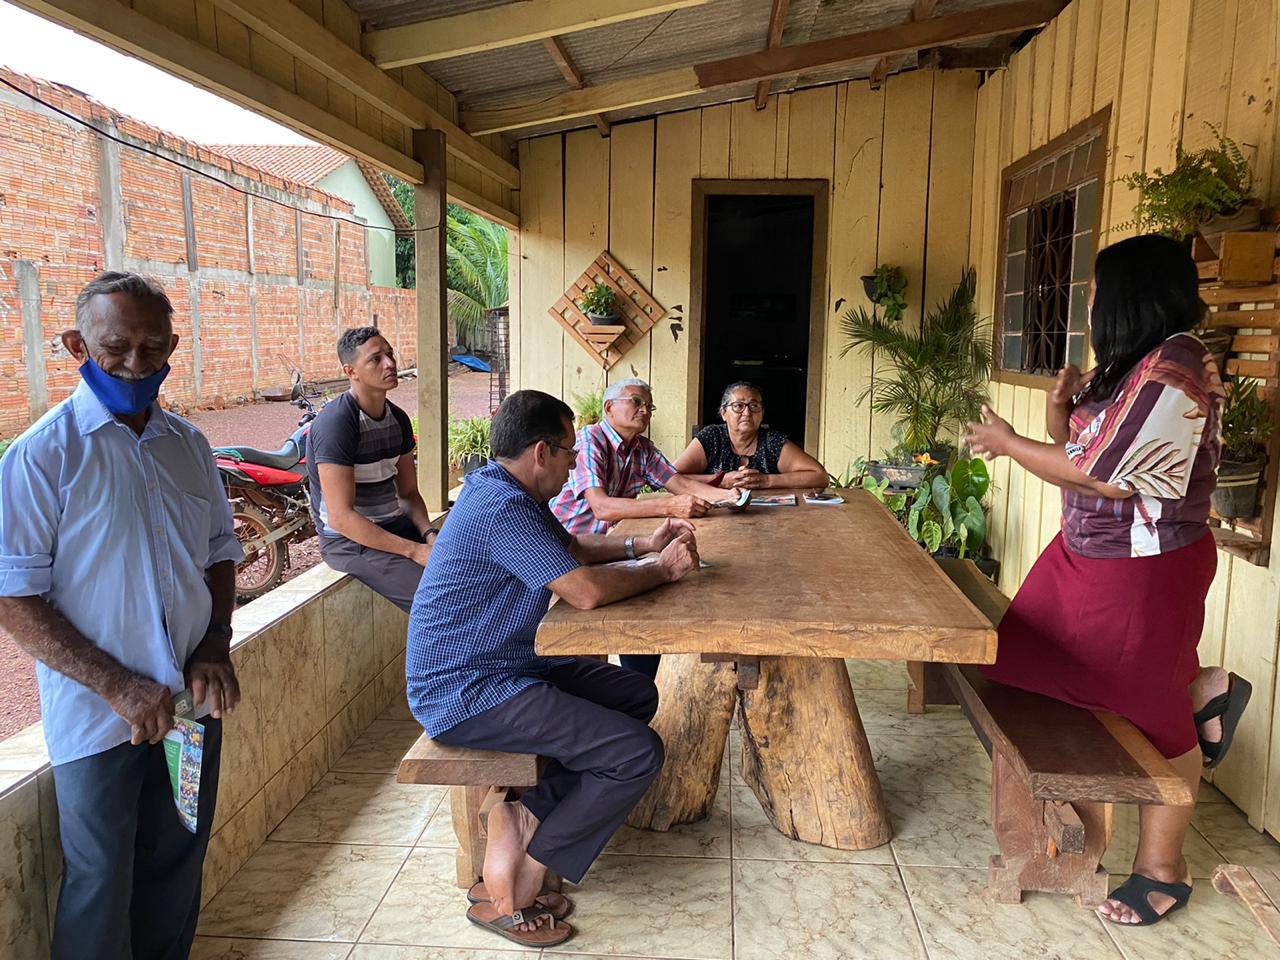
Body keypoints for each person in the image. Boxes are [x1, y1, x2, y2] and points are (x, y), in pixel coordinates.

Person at [963, 234, 1251, 928]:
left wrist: (1006, 445)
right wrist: (1056, 413)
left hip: (1142, 571)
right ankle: (1199, 689)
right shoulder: (1127, 367)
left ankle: (1162, 867)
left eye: (1095, 291)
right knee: (1018, 662)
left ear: (1131, 294)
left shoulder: (1176, 364)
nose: (1089, 304)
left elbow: (1111, 478)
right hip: (1084, 557)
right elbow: (1080, 450)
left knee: (1149, 712)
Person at [0, 271, 244, 960]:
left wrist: (215, 644)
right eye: (116, 347)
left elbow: (222, 553)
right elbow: (12, 595)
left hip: (191, 713)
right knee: (101, 878)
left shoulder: (189, 446)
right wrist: (114, 685)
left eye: (152, 345)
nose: (137, 363)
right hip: (99, 723)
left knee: (178, 860)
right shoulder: (42, 457)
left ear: (173, 345)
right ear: (78, 344)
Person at [407, 389, 700, 948]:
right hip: (466, 691)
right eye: (568, 450)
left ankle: (524, 814)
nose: (573, 460)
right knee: (636, 753)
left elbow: (572, 551)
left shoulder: (508, 492)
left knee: (634, 696)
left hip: (504, 666)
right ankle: (528, 871)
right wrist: (660, 572)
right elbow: (584, 592)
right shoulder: (501, 508)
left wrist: (642, 542)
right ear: (541, 452)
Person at [549, 378, 724, 678]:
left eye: (649, 405)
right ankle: (609, 694)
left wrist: (731, 497)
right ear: (609, 408)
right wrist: (669, 506)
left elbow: (678, 483)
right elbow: (602, 507)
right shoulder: (590, 441)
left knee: (648, 599)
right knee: (590, 641)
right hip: (569, 554)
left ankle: (643, 684)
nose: (645, 410)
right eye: (636, 402)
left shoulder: (642, 448)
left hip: (610, 547)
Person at [307, 326, 436, 613]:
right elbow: (341, 518)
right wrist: (415, 551)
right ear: (350, 371)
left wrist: (429, 534)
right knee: (439, 600)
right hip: (350, 544)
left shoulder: (398, 419)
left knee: (476, 574)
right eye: (375, 359)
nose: (390, 363)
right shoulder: (337, 423)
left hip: (393, 527)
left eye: (389, 354)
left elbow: (409, 494)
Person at [673, 380, 829, 490]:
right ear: (723, 413)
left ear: (762, 414)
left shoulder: (772, 441)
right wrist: (721, 481)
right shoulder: (711, 437)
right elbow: (670, 477)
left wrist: (767, 480)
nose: (747, 413)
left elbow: (820, 476)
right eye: (738, 406)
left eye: (754, 406)